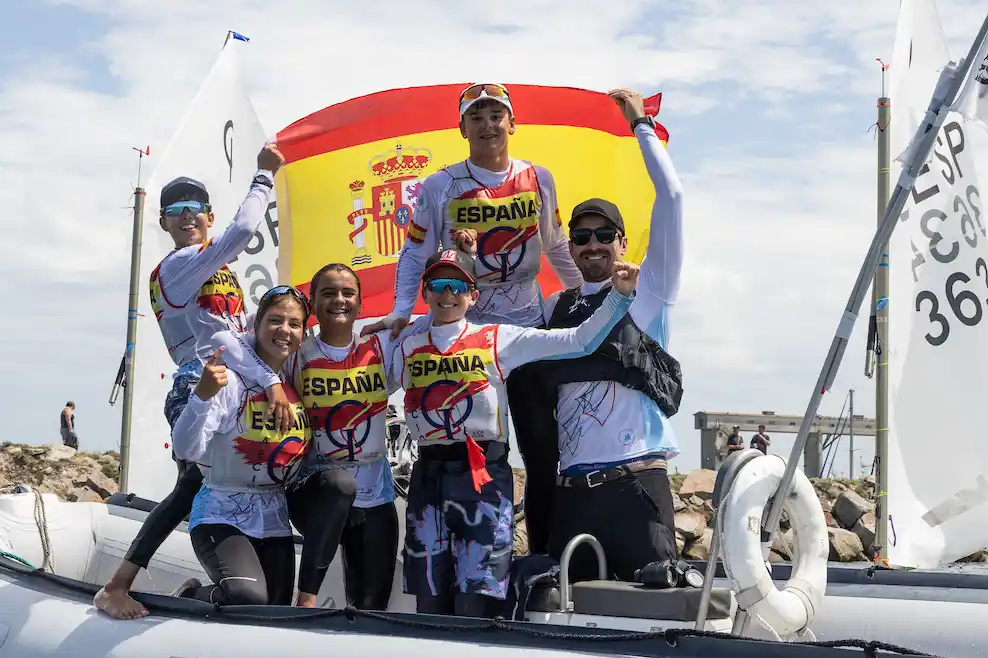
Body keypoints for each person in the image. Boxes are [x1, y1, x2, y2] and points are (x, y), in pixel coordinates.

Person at [94, 144, 289, 620]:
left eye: (195, 210)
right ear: (163, 223)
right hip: (196, 384)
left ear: (208, 214)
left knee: (211, 484)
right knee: (190, 488)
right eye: (175, 212)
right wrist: (263, 175)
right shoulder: (178, 267)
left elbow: (237, 334)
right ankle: (117, 586)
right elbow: (243, 231)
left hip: (235, 387)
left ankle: (212, 588)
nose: (187, 218)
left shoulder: (218, 272)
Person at [388, 248, 639, 618]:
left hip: (482, 478)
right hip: (427, 480)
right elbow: (363, 390)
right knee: (429, 599)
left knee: (477, 599)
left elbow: (579, 341)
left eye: (458, 285)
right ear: (424, 292)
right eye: (438, 285)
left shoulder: (496, 338)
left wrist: (619, 296)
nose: (447, 294)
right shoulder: (405, 346)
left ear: (474, 295)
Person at [545, 88, 686, 583]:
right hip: (572, 496)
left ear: (624, 243)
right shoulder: (553, 309)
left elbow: (671, 199)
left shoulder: (650, 293)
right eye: (581, 237)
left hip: (637, 486)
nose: (594, 244)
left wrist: (640, 125)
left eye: (605, 235)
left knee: (652, 618)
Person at [365, 82, 582, 335]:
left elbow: (555, 245)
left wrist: (586, 295)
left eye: (496, 116)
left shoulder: (539, 178)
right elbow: (415, 253)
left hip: (529, 325)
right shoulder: (439, 185)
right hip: (464, 330)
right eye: (476, 118)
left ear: (511, 124)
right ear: (462, 129)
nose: (487, 125)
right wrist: (401, 311)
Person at [170, 287, 314, 606]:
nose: (284, 330)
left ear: (303, 334)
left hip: (274, 516)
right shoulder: (229, 382)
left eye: (294, 324)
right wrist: (202, 396)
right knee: (247, 597)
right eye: (275, 321)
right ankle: (192, 595)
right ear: (255, 325)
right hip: (220, 514)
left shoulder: (297, 381)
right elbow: (186, 449)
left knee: (275, 612)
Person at [285, 263, 416, 609]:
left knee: (371, 604)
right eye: (328, 293)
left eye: (347, 293)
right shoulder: (297, 352)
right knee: (340, 487)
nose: (339, 300)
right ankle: (305, 600)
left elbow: (446, 318)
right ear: (311, 303)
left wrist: (395, 318)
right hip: (318, 488)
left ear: (360, 304)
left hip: (374, 492)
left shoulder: (379, 347)